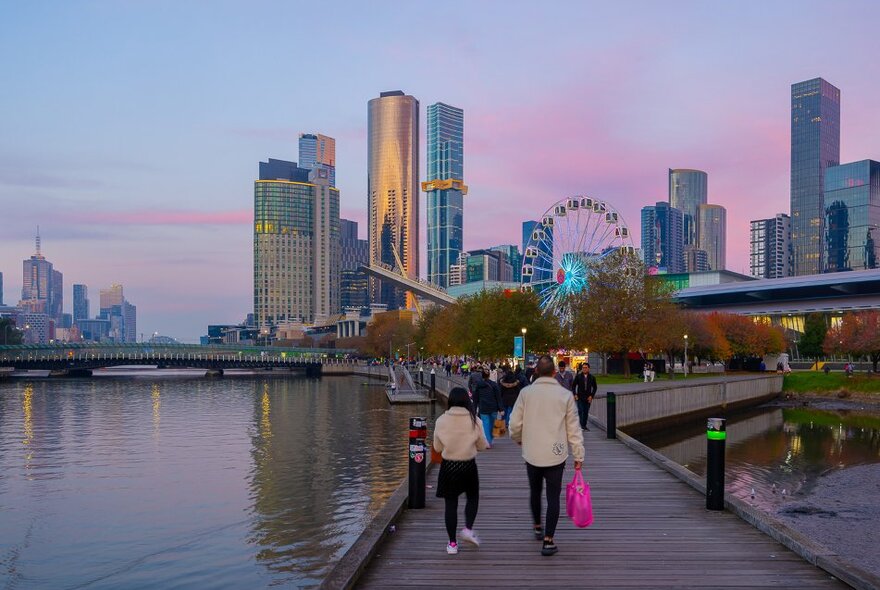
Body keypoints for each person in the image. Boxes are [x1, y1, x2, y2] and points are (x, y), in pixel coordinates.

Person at [509, 355, 584, 556]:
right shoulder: (565, 395)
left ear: (535, 372)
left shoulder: (526, 393)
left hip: (532, 452)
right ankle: (549, 540)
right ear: (553, 373)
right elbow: (573, 429)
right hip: (556, 453)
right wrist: (578, 455)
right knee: (553, 497)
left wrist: (518, 438)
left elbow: (514, 424)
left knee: (535, 491)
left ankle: (536, 525)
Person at [433, 387, 488, 555]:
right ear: (467, 400)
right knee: (472, 497)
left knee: (451, 504)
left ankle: (452, 544)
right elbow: (482, 445)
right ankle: (468, 528)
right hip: (468, 465)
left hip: (449, 466)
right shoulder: (474, 420)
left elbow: (437, 447)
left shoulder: (441, 420)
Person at [473, 368, 504, 446]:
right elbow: (498, 397)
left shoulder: (478, 385)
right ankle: (490, 439)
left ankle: (488, 441)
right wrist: (501, 409)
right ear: (489, 375)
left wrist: (474, 408)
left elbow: (475, 398)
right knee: (493, 423)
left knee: (485, 424)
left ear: (482, 376)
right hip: (493, 407)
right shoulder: (494, 385)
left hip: (483, 407)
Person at [572, 362, 598, 430]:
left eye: (586, 368)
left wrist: (591, 396)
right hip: (579, 397)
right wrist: (575, 394)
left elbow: (595, 387)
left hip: (588, 397)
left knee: (586, 412)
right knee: (580, 410)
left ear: (589, 368)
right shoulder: (578, 376)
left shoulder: (592, 377)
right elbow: (573, 386)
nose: (584, 369)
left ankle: (584, 425)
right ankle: (581, 425)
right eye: (583, 368)